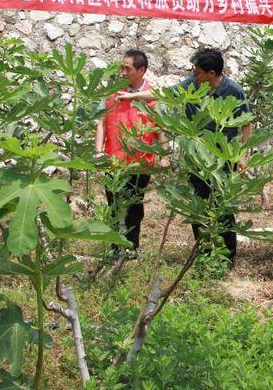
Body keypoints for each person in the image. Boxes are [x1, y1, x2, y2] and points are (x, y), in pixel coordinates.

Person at [118, 48, 252, 265]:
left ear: (211, 73)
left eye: (197, 72)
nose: (194, 75)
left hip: (222, 157)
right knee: (198, 204)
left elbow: (246, 124)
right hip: (195, 156)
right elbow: (164, 94)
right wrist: (133, 96)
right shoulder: (192, 84)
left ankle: (227, 256)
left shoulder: (233, 90)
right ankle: (203, 253)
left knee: (222, 205)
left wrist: (243, 155)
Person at [95, 49, 160, 257]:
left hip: (141, 162)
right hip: (113, 159)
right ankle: (114, 248)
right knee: (113, 204)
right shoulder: (112, 91)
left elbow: (161, 127)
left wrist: (164, 156)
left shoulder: (151, 95)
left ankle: (132, 248)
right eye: (121, 67)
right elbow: (101, 123)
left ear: (141, 70)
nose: (122, 72)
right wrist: (98, 152)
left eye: (127, 68)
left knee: (134, 205)